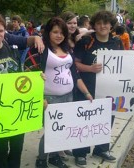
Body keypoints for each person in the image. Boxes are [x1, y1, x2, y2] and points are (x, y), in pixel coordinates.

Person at [0, 13, 44, 168]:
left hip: (17, 110)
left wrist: (37, 80)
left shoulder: (12, 50)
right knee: (0, 150)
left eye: (1, 31)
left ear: (5, 32)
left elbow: (21, 77)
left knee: (17, 148)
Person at [34, 17, 93, 168]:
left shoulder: (67, 50)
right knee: (51, 132)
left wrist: (86, 93)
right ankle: (41, 160)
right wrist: (40, 97)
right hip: (50, 98)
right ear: (48, 33)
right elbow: (34, 77)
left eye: (62, 33)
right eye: (55, 32)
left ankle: (54, 157)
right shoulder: (42, 50)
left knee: (61, 130)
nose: (59, 35)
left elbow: (75, 74)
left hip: (68, 96)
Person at [72, 10, 124, 167]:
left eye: (106, 23)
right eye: (99, 23)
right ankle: (80, 152)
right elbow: (75, 64)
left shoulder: (117, 42)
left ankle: (101, 149)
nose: (103, 26)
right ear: (94, 25)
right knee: (84, 121)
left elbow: (125, 65)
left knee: (107, 119)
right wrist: (90, 68)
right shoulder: (86, 41)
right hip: (87, 88)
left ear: (111, 25)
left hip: (109, 89)